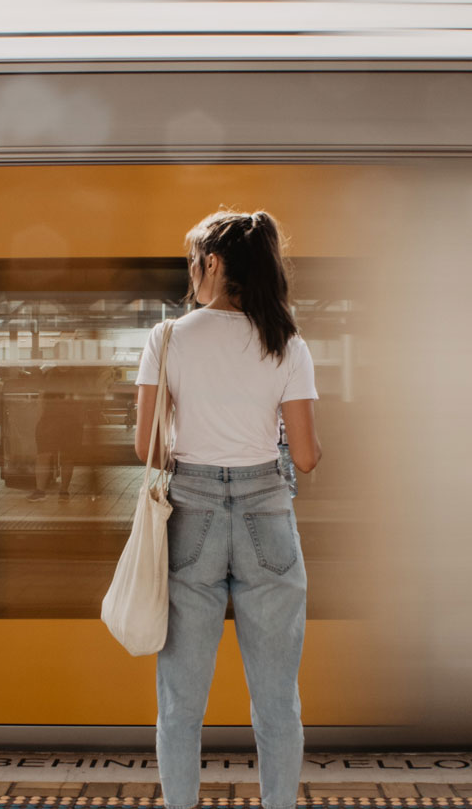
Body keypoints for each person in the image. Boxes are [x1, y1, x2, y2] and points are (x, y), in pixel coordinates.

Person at [134, 210, 321, 809]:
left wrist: (197, 448)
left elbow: (148, 448)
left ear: (212, 263)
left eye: (193, 261)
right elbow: (309, 456)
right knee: (276, 701)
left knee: (180, 703)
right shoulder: (287, 342)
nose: (191, 274)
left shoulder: (167, 339)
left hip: (192, 514)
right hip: (267, 510)